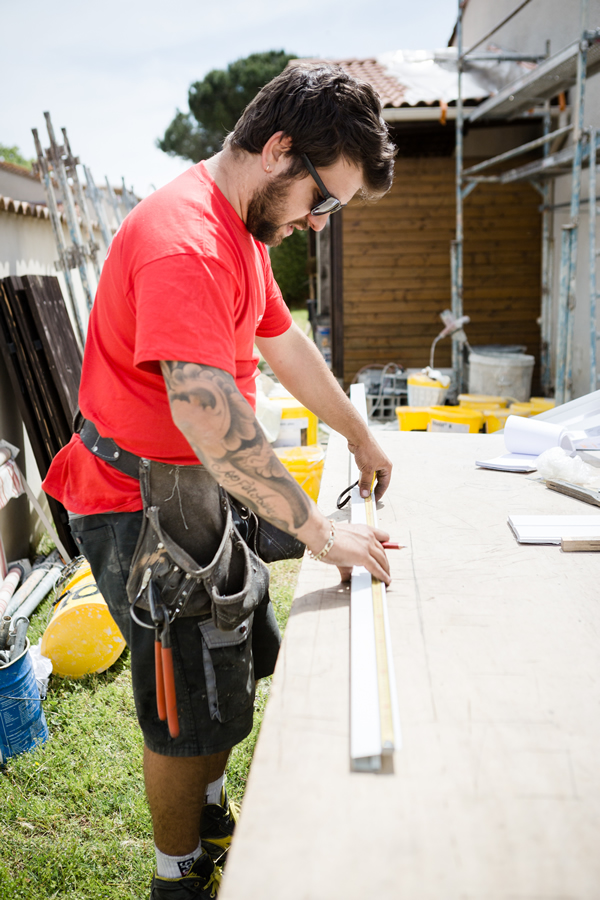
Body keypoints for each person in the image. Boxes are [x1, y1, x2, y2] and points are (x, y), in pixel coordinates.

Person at [43, 63, 396, 899]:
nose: (319, 222)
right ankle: (178, 877)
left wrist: (355, 429)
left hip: (195, 490)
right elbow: (208, 417)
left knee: (224, 670)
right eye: (324, 200)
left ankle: (206, 806)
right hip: (139, 507)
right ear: (278, 150)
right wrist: (320, 531)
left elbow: (284, 343)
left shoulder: (239, 227)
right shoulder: (185, 241)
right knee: (179, 711)